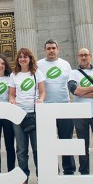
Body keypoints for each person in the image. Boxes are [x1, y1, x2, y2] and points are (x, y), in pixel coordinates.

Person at [37, 39, 76, 175]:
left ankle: (69, 170)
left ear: (57, 49)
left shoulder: (65, 64)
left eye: (53, 48)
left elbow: (71, 84)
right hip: (46, 108)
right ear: (45, 50)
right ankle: (52, 170)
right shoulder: (38, 65)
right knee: (48, 141)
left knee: (66, 139)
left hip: (64, 106)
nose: (51, 51)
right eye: (48, 48)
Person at [8, 47, 46, 184]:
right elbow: (11, 94)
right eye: (20, 57)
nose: (23, 59)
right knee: (21, 149)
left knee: (37, 148)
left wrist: (41, 100)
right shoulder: (14, 75)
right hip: (19, 115)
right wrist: (12, 100)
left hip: (34, 114)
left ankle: (41, 176)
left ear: (30, 59)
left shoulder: (37, 74)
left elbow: (42, 92)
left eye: (25, 57)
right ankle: (24, 178)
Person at [67, 48, 93, 175]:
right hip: (80, 114)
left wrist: (82, 92)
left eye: (86, 55)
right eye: (81, 55)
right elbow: (74, 91)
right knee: (82, 146)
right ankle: (84, 173)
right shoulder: (73, 73)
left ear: (91, 56)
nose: (84, 58)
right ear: (77, 57)